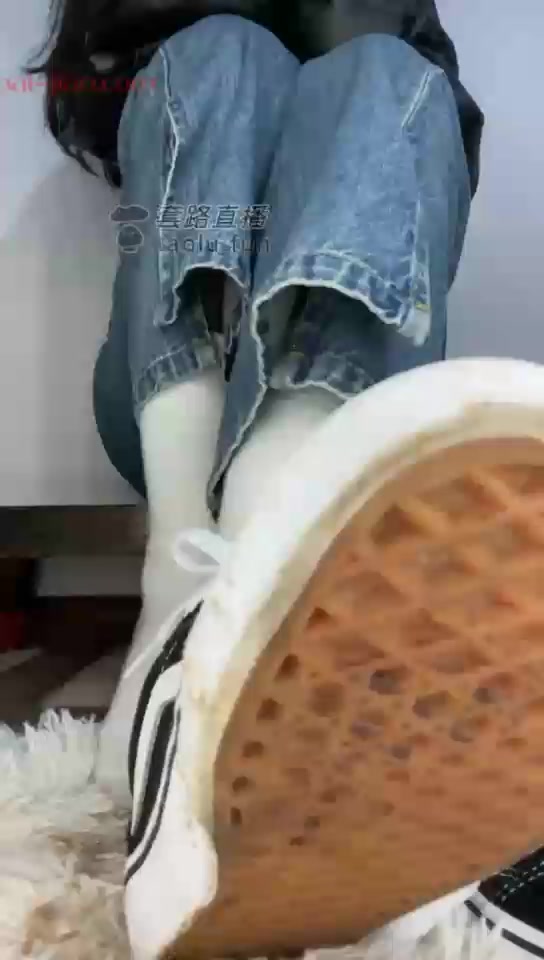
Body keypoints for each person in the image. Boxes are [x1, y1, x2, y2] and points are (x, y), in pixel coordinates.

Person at [31, 4, 544, 960]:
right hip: (173, 388)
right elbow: (94, 117)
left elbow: (437, 154)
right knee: (221, 50)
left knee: (387, 73)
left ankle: (240, 594)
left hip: (334, 390)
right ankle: (186, 587)